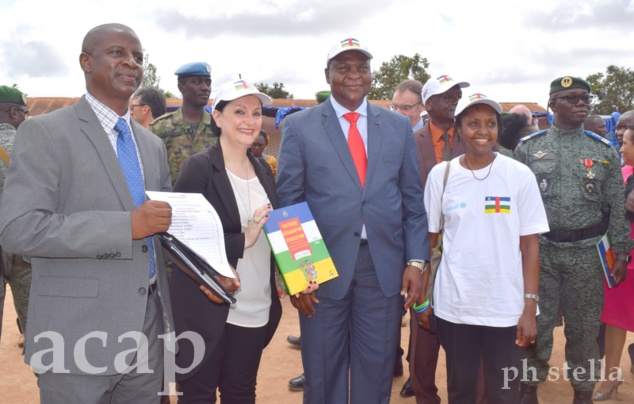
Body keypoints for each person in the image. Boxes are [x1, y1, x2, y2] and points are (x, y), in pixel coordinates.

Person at [0, 23, 176, 403]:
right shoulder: (45, 133)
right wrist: (124, 226)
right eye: (117, 52)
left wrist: (213, 274)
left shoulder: (151, 145)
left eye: (138, 56)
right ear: (85, 61)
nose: (131, 62)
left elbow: (163, 233)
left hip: (145, 331)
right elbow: (18, 229)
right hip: (74, 336)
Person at [276, 37, 428, 404]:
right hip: (320, 267)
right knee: (322, 367)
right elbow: (289, 204)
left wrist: (416, 260)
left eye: (361, 68)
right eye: (343, 68)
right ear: (327, 74)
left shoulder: (396, 126)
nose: (354, 75)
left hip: (384, 266)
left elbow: (411, 199)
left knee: (376, 367)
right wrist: (299, 274)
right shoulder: (300, 126)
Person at [421, 92, 548, 403]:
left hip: (505, 307)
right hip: (455, 306)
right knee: (461, 390)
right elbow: (430, 241)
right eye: (473, 123)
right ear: (460, 129)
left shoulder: (518, 175)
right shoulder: (442, 175)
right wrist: (424, 301)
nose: (483, 131)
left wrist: (529, 307)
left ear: (498, 128)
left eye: (490, 124)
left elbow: (531, 246)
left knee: (504, 392)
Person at [515, 76, 632, 404]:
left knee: (584, 329)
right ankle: (528, 387)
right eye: (571, 98)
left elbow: (617, 208)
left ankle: (582, 391)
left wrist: (622, 252)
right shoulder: (528, 150)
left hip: (586, 254)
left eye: (585, 98)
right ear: (552, 104)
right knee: (537, 322)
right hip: (542, 251)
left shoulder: (603, 151)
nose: (581, 103)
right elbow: (514, 206)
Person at [170, 80, 283, 403]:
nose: (250, 120)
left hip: (255, 304)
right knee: (198, 394)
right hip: (209, 304)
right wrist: (240, 240)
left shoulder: (264, 169)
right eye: (239, 112)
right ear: (217, 118)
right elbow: (180, 239)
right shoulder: (200, 167)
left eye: (256, 113)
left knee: (241, 392)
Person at [409, 74, 470, 402]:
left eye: (457, 95)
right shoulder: (409, 140)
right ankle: (424, 395)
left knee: (466, 330)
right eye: (447, 95)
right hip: (423, 246)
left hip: (467, 249)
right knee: (424, 325)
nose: (454, 100)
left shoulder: (472, 138)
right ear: (428, 102)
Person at [592, 124, 634, 401]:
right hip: (622, 260)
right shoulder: (622, 174)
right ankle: (610, 377)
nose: (621, 149)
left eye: (627, 143)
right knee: (615, 322)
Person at [0, 85, 32, 348]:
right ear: (13, 113)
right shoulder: (30, 149)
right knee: (41, 334)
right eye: (24, 112)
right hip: (26, 250)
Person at [150, 62, 217, 184]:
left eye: (208, 83)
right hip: (171, 200)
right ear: (181, 87)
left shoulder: (219, 127)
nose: (205, 88)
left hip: (211, 201)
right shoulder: (161, 127)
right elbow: (150, 171)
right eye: (197, 82)